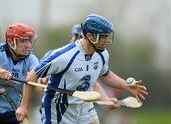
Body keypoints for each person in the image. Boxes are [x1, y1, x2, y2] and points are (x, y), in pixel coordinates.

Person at [16, 14, 148, 124]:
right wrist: (24, 106)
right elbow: (32, 76)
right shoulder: (64, 56)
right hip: (59, 109)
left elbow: (105, 75)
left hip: (84, 105)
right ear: (90, 36)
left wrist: (126, 85)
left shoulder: (102, 54)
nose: (106, 40)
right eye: (103, 37)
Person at [0, 23, 39, 124]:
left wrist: (42, 84)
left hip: (12, 111)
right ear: (11, 41)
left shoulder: (32, 59)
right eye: (23, 41)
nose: (28, 45)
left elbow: (34, 76)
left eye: (29, 40)